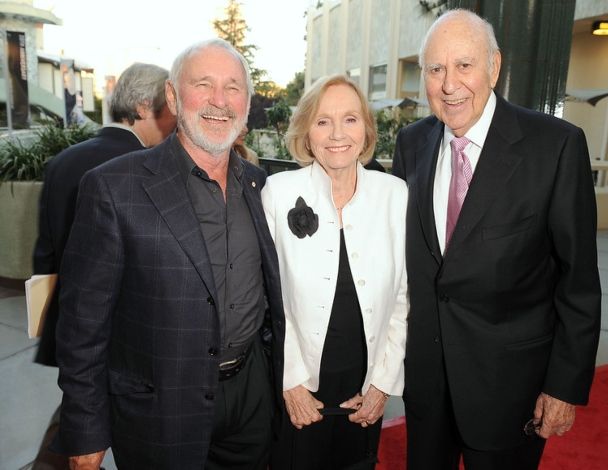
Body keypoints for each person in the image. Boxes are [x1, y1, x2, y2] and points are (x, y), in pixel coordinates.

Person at [53, 39, 284, 470]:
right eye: (204, 84)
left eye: (233, 87)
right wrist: (85, 428)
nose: (220, 100)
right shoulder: (114, 187)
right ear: (174, 98)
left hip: (251, 399)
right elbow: (82, 325)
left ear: (247, 104)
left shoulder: (260, 185)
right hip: (160, 411)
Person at [392, 9, 601, 470]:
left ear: (495, 67)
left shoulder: (556, 146)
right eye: (436, 69)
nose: (450, 85)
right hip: (427, 386)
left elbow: (578, 280)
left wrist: (563, 386)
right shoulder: (411, 143)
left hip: (510, 389)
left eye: (464, 65)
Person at [31, 62, 175, 469]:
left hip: (75, 330)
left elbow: (46, 255)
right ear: (145, 106)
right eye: (170, 105)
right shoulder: (150, 171)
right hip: (133, 340)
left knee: (78, 417)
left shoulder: (62, 160)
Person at [262, 74, 408, 469]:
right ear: (307, 134)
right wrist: (290, 382)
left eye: (350, 119)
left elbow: (402, 300)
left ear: (366, 130)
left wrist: (382, 384)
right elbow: (265, 300)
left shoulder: (394, 194)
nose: (337, 133)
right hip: (298, 385)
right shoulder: (276, 192)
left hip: (364, 390)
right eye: (323, 121)